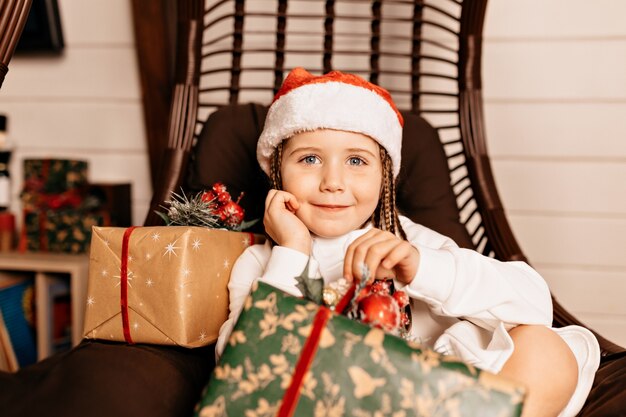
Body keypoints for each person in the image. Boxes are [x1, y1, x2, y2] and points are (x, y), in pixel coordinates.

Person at [215, 67, 600, 417]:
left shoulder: (410, 241)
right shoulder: (260, 262)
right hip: (332, 404)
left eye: (356, 161)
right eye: (310, 159)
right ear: (278, 171)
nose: (333, 181)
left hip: (437, 404)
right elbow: (243, 372)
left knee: (546, 351)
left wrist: (423, 268)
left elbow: (534, 302)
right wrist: (292, 250)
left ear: (385, 177)